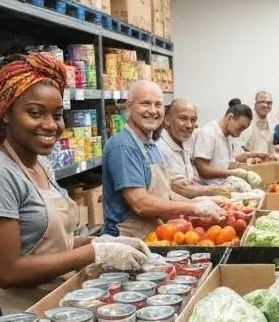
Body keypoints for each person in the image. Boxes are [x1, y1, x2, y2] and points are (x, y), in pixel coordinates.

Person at [0, 53, 149, 322]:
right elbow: (8, 271)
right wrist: (95, 254)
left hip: (44, 307)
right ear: (6, 113)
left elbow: (52, 242)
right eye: (36, 113)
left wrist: (105, 243)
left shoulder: (42, 166)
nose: (50, 125)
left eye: (57, 114)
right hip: (6, 320)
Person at [101, 81, 226, 239]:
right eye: (145, 103)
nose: (152, 111)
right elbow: (140, 203)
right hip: (125, 241)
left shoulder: (151, 145)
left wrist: (201, 201)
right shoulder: (123, 146)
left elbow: (166, 194)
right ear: (129, 106)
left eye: (158, 104)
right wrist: (193, 208)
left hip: (152, 237)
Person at [158, 99, 230, 199]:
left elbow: (191, 182)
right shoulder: (160, 149)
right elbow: (177, 190)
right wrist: (215, 191)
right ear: (167, 120)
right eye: (183, 118)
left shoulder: (186, 143)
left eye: (193, 120)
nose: (189, 125)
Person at [191, 99, 269, 185]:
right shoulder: (209, 133)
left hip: (222, 184)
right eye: (240, 127)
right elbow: (202, 169)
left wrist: (251, 166)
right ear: (230, 117)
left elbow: (228, 163)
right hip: (208, 188)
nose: (240, 133)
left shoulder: (227, 136)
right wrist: (232, 173)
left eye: (244, 129)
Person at [242, 90, 275, 155]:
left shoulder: (272, 122)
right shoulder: (247, 120)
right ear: (255, 104)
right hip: (249, 162)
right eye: (262, 102)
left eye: (269, 103)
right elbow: (240, 147)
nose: (265, 105)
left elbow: (270, 146)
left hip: (266, 162)